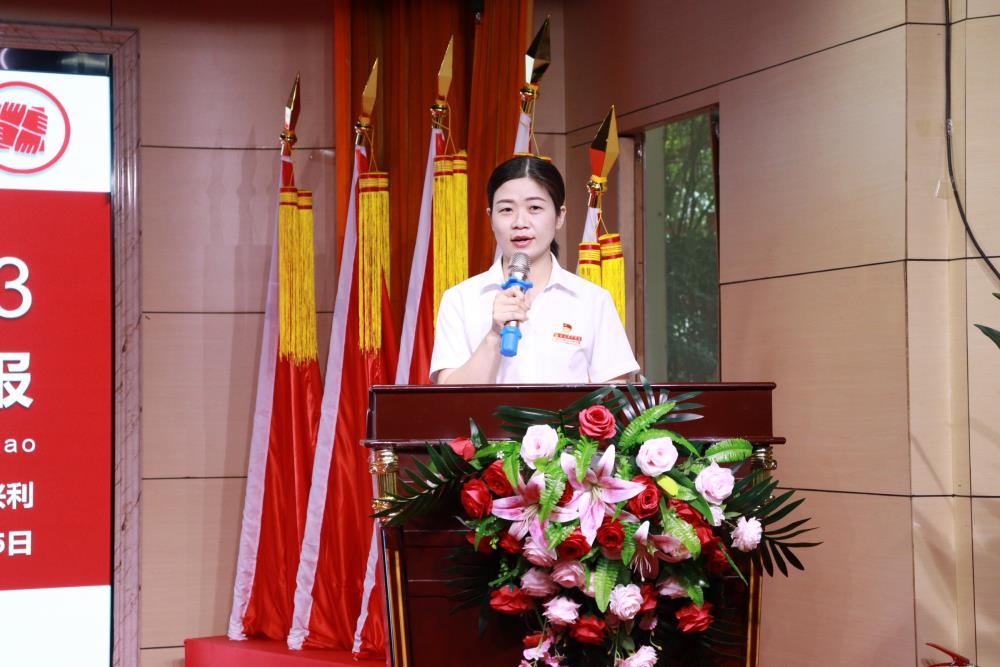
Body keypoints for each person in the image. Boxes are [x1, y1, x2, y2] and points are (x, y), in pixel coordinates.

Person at [429, 155, 640, 384]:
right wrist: (493, 336)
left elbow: (615, 392)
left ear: (560, 216)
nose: (520, 222)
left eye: (535, 208)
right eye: (506, 209)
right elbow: (448, 395)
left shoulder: (593, 300)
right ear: (491, 218)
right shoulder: (460, 299)